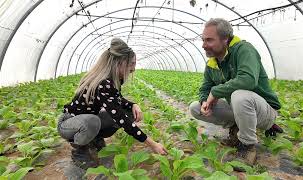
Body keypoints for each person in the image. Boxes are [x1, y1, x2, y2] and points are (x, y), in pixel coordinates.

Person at [57, 38, 167, 170]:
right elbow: (122, 120)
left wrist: (133, 105)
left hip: (88, 121)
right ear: (119, 63)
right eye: (131, 64)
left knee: (126, 113)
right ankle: (79, 151)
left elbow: (117, 101)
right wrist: (152, 144)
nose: (133, 68)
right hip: (69, 123)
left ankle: (95, 139)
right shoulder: (103, 82)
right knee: (94, 121)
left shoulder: (113, 80)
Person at [189, 18, 283, 165]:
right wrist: (204, 102)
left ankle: (247, 146)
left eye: (209, 40)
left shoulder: (244, 50)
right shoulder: (212, 63)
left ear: (225, 39)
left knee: (239, 95)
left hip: (264, 112)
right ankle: (236, 129)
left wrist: (215, 92)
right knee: (194, 108)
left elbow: (247, 80)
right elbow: (205, 88)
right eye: (203, 40)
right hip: (239, 109)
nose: (204, 45)